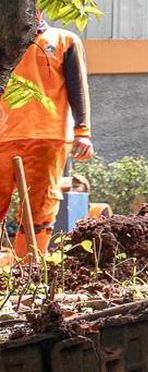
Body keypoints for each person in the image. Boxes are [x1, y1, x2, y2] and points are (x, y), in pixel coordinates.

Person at [0, 16, 95, 259]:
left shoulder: (64, 40)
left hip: (46, 136)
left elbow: (78, 87)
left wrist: (82, 132)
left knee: (38, 209)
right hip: (3, 137)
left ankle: (27, 274)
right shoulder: (3, 45)